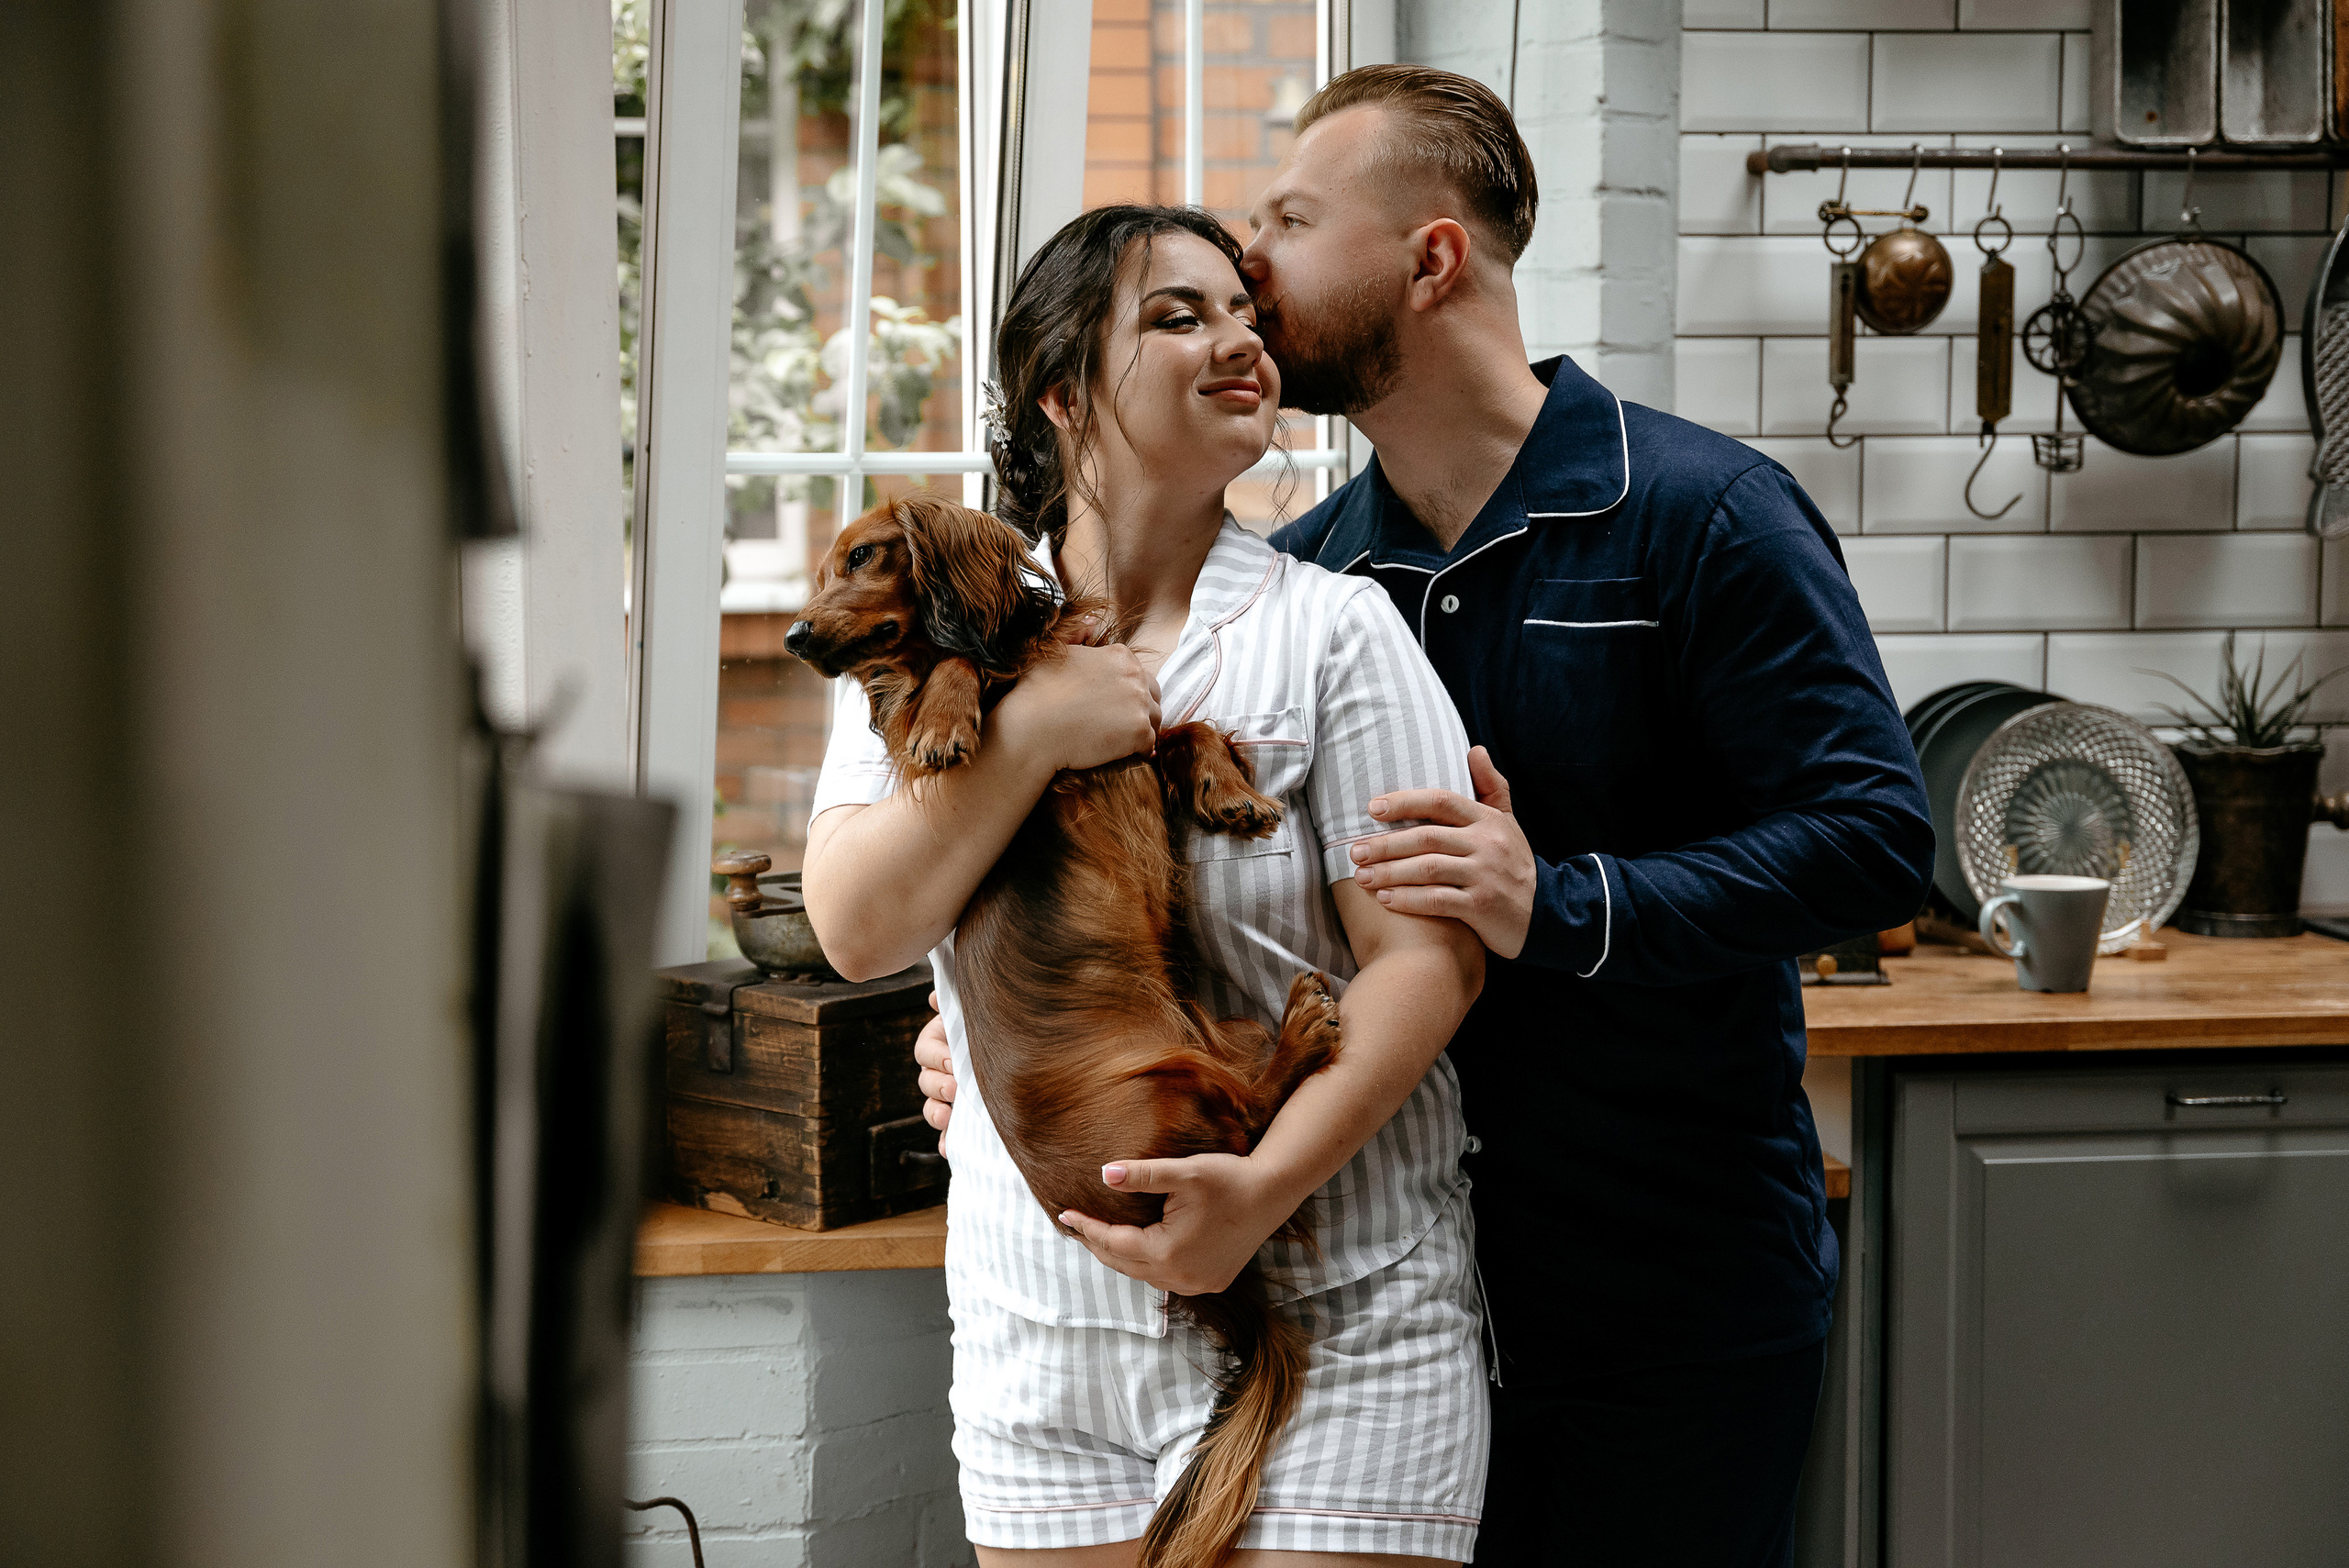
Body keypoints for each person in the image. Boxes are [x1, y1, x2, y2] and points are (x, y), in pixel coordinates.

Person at [918, 67, 1937, 1566]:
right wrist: (1005, 1024)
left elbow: (1876, 839)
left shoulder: (1702, 512)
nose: (1248, 268)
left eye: (1288, 221)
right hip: (1384, 1279)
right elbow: (1204, 893)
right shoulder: (1319, 576)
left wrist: (1566, 898)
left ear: (1432, 258)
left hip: (1659, 1285)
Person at [802, 203, 1495, 1567]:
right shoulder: (925, 645)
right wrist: (1043, 733)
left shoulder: (1336, 633)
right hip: (1047, 1340)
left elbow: (1434, 962)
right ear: (1062, 392)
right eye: (1177, 316)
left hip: (1339, 1310)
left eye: (1243, 312)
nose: (1238, 340)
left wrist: (1259, 1191)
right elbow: (860, 925)